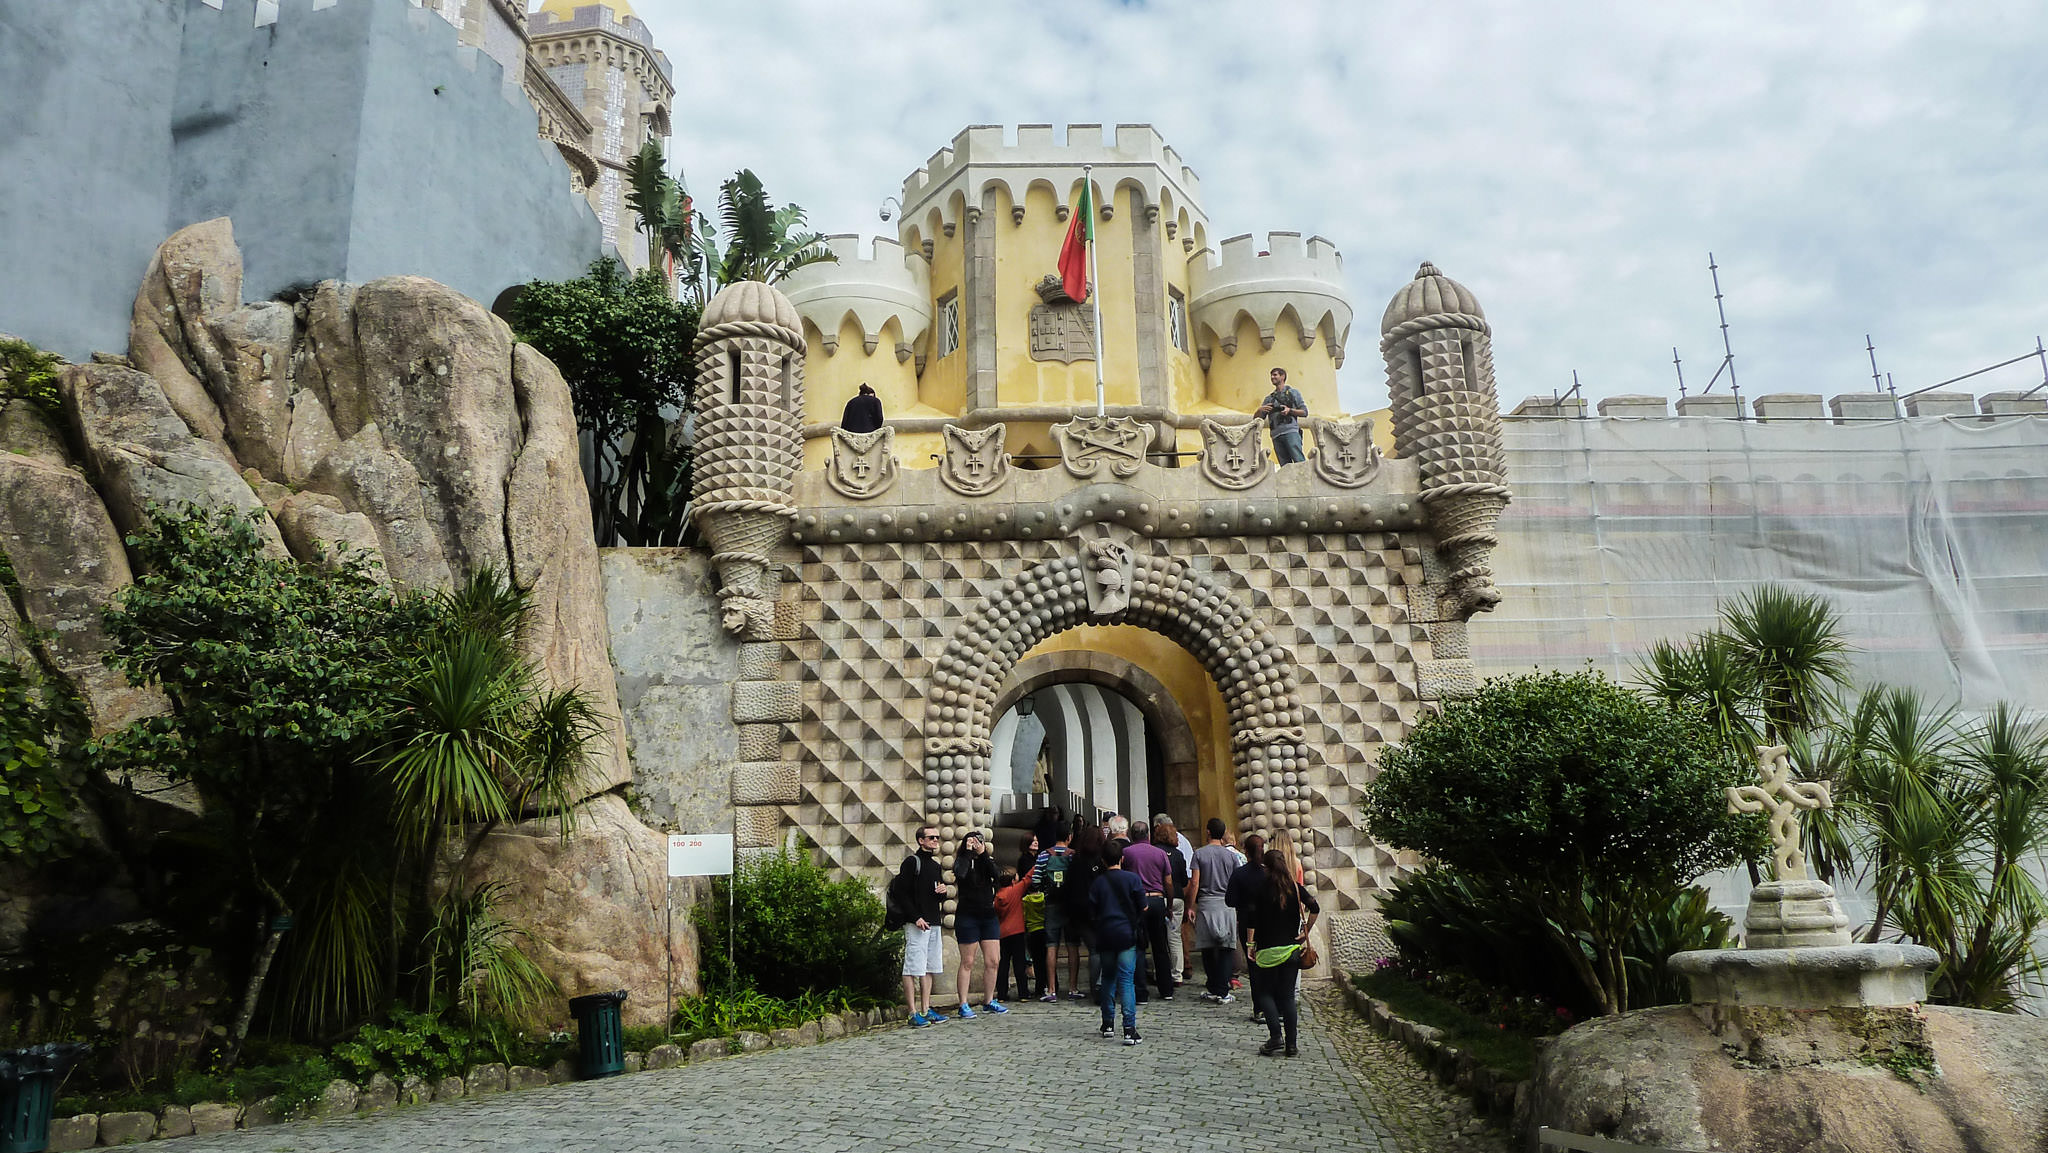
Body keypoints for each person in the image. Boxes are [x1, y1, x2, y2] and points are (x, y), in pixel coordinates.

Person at [1245, 849, 1320, 1057]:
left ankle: (1276, 1036)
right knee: (1287, 997)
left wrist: (1250, 946)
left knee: (1265, 994)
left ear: (1265, 867)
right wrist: (1305, 934)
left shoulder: (1259, 890)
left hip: (1267, 950)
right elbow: (1315, 908)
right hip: (1291, 950)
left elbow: (1251, 920)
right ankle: (1292, 1044)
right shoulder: (1295, 889)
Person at [1088, 841, 1147, 1045]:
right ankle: (1129, 1028)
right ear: (1122, 858)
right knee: (1126, 980)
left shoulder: (1098, 883)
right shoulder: (1132, 879)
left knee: (1108, 979)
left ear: (1103, 861)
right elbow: (1143, 907)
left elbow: (1092, 911)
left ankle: (1107, 1024)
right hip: (1125, 934)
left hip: (1105, 934)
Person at [950, 829, 1007, 1017]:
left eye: (978, 841)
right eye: (971, 841)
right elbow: (961, 873)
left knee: (993, 961)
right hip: (967, 916)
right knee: (968, 961)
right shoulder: (962, 860)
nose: (975, 844)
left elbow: (997, 875)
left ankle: (989, 1000)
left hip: (988, 916)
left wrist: (983, 854)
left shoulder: (986, 861)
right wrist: (967, 852)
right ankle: (963, 1003)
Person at [898, 825, 950, 1027]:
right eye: (931, 837)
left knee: (928, 967)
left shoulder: (935, 865)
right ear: (921, 840)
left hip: (933, 921)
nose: (936, 840)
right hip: (916, 922)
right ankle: (912, 1011)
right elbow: (902, 893)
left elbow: (934, 893)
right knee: (912, 966)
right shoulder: (912, 862)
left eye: (937, 837)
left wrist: (943, 892)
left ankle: (926, 1008)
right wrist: (915, 917)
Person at [1121, 820, 1176, 1001]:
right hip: (1157, 899)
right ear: (1148, 836)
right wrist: (1169, 905)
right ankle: (1166, 989)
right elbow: (1168, 882)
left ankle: (1141, 992)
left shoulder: (1127, 853)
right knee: (1160, 946)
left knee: (1138, 946)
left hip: (1137, 901)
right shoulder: (1160, 853)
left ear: (1132, 835)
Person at [1187, 818, 1241, 1002]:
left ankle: (1213, 986)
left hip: (1206, 903)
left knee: (1208, 948)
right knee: (1226, 948)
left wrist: (1190, 905)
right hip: (1226, 904)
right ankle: (1223, 989)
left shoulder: (1199, 854)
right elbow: (1236, 882)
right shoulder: (1232, 856)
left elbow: (1194, 882)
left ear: (1208, 832)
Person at [1225, 833, 1268, 1026]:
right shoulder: (1269, 873)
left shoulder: (1240, 873)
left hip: (1246, 921)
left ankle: (1259, 1007)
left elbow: (1230, 900)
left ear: (1246, 851)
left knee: (1254, 966)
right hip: (1268, 922)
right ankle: (1274, 1005)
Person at [1033, 824, 1076, 1001]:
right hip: (1069, 904)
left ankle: (1051, 989)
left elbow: (1035, 879)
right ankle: (1073, 988)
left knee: (1051, 946)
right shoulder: (1073, 855)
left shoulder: (1044, 855)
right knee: (1072, 945)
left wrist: (1044, 890)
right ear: (1069, 837)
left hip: (1050, 904)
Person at [1154, 815, 1197, 983]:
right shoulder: (1179, 854)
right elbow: (1184, 878)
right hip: (1178, 896)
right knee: (1175, 936)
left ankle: (1161, 972)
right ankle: (1177, 974)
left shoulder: (1155, 851)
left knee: (1159, 938)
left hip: (1159, 896)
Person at [992, 866, 1034, 1004]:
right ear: (1012, 880)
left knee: (1003, 964)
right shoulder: (1015, 890)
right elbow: (1028, 878)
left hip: (1002, 933)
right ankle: (1023, 993)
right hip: (1017, 931)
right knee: (1019, 963)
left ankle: (1002, 994)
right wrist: (1039, 861)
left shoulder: (998, 895)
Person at [1254, 366, 1309, 465]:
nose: (1272, 377)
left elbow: (1304, 412)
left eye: (1275, 375)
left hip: (1291, 431)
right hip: (1276, 435)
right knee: (1284, 465)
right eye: (1271, 375)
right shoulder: (1269, 399)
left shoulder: (1293, 393)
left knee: (1299, 461)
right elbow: (1257, 420)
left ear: (1282, 376)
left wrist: (1290, 410)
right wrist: (1259, 410)